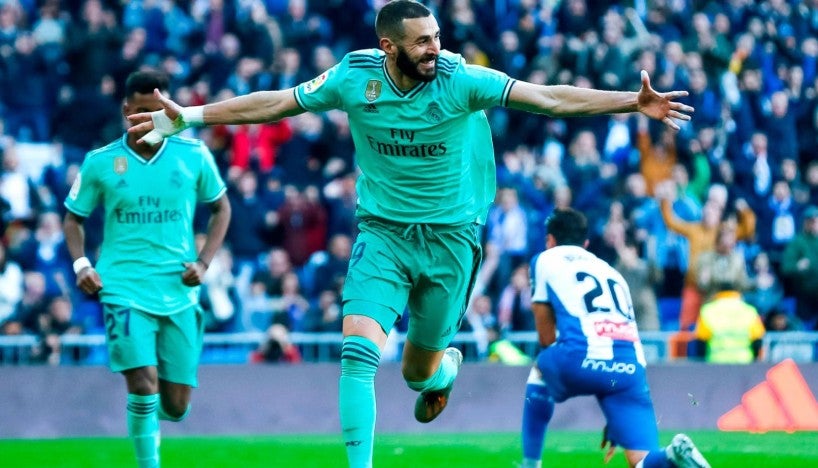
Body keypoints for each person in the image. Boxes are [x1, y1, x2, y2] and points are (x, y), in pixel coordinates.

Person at [126, 2, 693, 466]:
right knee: (356, 350)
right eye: (423, 41)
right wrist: (191, 117)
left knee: (416, 370)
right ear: (389, 47)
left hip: (451, 242)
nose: (436, 49)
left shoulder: (460, 79)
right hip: (384, 234)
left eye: (438, 36)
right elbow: (278, 102)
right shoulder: (355, 76)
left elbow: (545, 97)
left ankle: (444, 367)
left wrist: (629, 103)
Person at [62, 70, 231, 468]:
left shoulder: (193, 155)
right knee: (142, 382)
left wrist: (205, 262)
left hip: (178, 288)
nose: (149, 119)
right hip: (122, 287)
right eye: (141, 111)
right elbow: (73, 218)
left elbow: (221, 207)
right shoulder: (101, 162)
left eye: (158, 112)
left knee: (175, 407)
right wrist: (81, 263)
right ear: (126, 110)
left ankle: (149, 422)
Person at [522, 208, 709, 468]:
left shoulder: (545, 259)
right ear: (586, 244)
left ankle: (530, 464)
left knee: (540, 369)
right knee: (640, 461)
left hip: (579, 356)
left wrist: (553, 356)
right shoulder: (612, 272)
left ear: (550, 241)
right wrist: (614, 409)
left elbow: (545, 333)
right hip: (629, 368)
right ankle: (672, 455)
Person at [692, 281, 765, 364]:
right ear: (736, 292)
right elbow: (757, 340)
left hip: (716, 361)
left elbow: (701, 340)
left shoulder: (707, 310)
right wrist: (754, 361)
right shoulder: (750, 311)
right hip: (744, 361)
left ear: (718, 293)